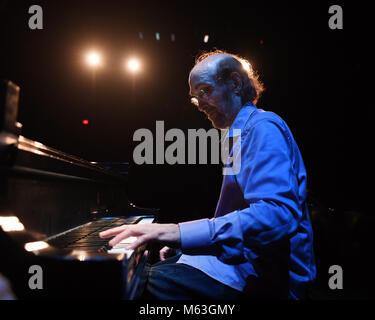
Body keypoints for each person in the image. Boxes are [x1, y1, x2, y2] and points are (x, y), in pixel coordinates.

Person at [99, 49, 316, 300]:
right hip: (243, 264)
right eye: (195, 97)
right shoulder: (235, 135)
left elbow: (277, 216)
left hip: (270, 279)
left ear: (235, 83)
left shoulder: (263, 127)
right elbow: (238, 219)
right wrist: (194, 246)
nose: (200, 104)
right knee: (146, 273)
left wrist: (176, 232)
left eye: (205, 91)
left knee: (134, 286)